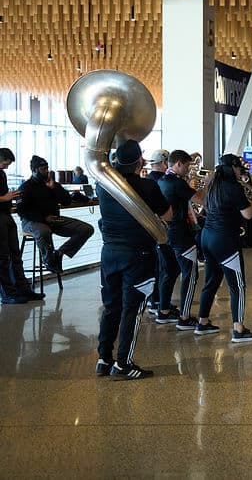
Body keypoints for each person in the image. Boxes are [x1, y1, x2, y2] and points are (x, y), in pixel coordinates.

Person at [95, 140, 172, 380]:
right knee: (132, 309)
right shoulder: (148, 186)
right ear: (140, 160)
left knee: (111, 307)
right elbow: (167, 214)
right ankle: (124, 365)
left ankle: (103, 359)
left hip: (109, 253)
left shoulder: (104, 185)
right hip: (138, 254)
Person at [194, 153, 252, 343]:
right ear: (233, 168)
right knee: (237, 285)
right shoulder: (233, 187)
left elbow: (204, 203)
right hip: (225, 239)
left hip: (207, 237)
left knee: (211, 281)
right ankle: (239, 329)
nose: (241, 172)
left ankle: (202, 322)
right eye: (239, 168)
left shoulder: (213, 184)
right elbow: (248, 214)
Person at [18, 155, 94, 274]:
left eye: (47, 168)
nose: (47, 171)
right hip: (32, 221)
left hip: (53, 219)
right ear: (34, 170)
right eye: (43, 169)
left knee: (86, 229)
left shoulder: (52, 184)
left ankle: (58, 253)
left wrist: (54, 188)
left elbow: (67, 201)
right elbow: (22, 211)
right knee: (44, 231)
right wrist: (43, 218)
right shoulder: (26, 187)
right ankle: (49, 261)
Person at [156, 150, 204, 329]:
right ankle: (184, 317)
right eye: (187, 165)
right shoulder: (177, 183)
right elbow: (201, 200)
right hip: (181, 234)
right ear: (178, 164)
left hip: (165, 233)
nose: (188, 169)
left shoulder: (161, 181)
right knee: (191, 274)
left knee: (170, 272)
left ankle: (164, 311)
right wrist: (207, 184)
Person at [0, 148, 41, 304]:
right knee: (3, 257)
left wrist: (10, 197)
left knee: (15, 255)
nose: (7, 166)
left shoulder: (2, 174)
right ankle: (7, 294)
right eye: (5, 163)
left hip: (7, 215)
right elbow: (3, 196)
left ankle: (23, 289)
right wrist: (5, 198)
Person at [145, 149, 177, 316]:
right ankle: (160, 304)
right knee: (168, 268)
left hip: (150, 231)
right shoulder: (161, 181)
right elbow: (166, 210)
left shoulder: (147, 180)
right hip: (162, 230)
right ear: (165, 163)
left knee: (159, 267)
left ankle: (157, 301)